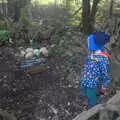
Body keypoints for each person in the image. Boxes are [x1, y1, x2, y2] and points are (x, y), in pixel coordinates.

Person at [80, 32, 112, 107]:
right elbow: (106, 74)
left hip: (88, 78)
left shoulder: (97, 56)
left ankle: (87, 99)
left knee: (87, 89)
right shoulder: (96, 54)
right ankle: (88, 100)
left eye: (89, 41)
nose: (87, 42)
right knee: (87, 90)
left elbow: (106, 74)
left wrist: (104, 87)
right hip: (88, 78)